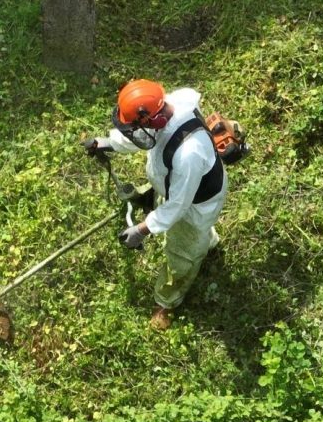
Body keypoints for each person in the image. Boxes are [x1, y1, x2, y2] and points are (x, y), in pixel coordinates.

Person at [84, 79, 227, 330]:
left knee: (181, 256)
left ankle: (166, 301)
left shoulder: (189, 153)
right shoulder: (167, 107)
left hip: (193, 208)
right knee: (193, 235)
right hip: (177, 187)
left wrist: (140, 230)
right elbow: (140, 134)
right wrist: (106, 143)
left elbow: (178, 206)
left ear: (155, 120)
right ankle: (206, 242)